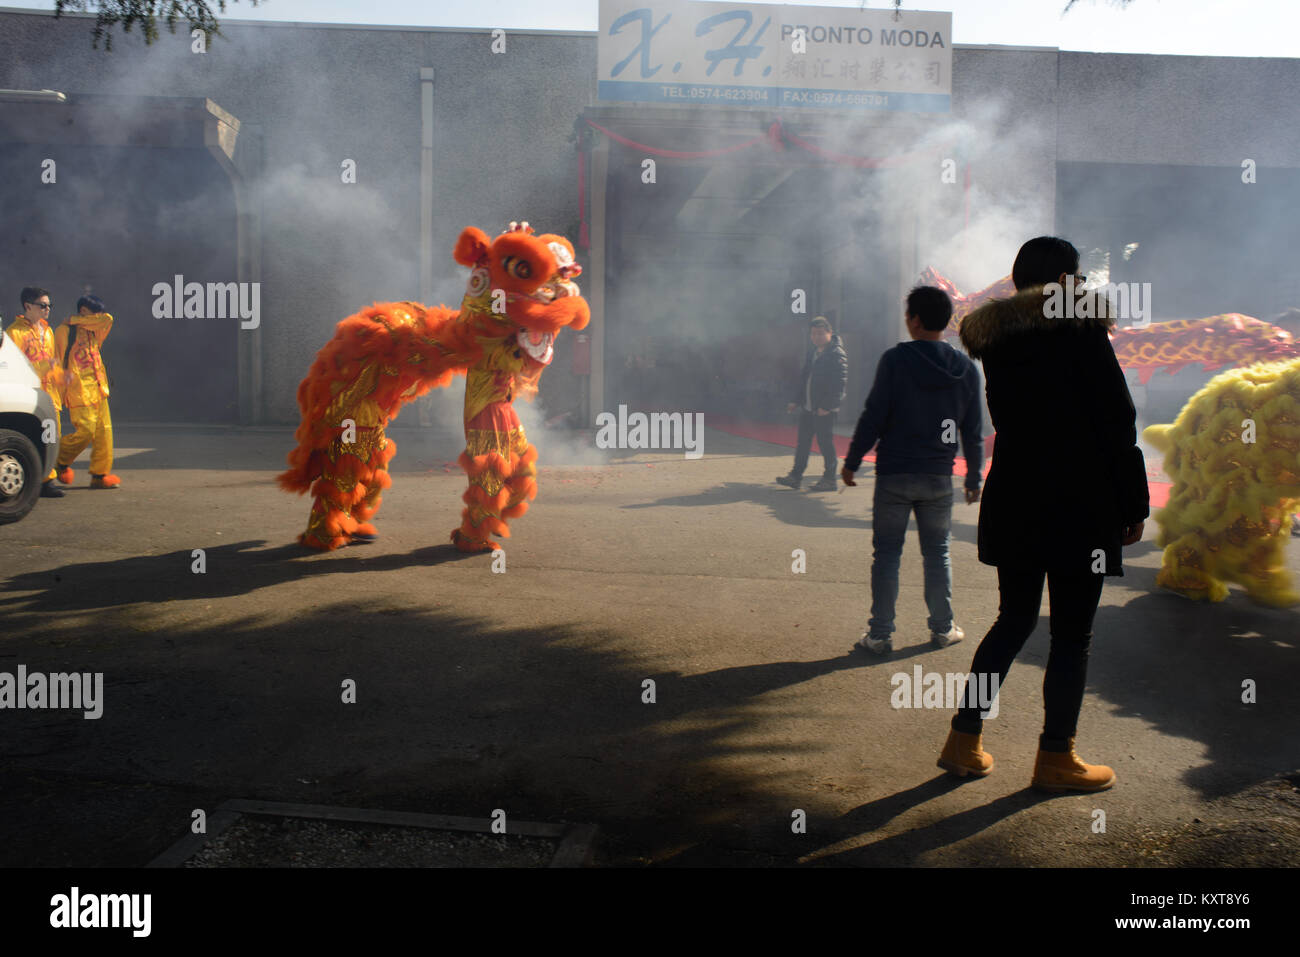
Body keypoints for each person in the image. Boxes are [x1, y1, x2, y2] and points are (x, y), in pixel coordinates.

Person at [936, 236, 1149, 793]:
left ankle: (963, 739)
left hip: (1018, 495)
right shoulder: (1081, 333)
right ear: (1065, 281)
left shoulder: (998, 341)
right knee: (1072, 636)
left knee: (1013, 620)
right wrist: (1133, 503)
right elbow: (1117, 419)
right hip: (1081, 502)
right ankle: (1057, 758)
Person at [841, 286, 983, 654]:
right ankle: (942, 628)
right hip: (938, 475)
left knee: (887, 554)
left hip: (894, 473)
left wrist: (853, 460)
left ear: (916, 320)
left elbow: (875, 414)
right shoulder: (966, 369)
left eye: (908, 313)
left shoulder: (895, 360)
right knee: (937, 552)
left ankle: (880, 635)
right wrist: (973, 477)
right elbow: (972, 430)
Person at [54, 295, 119, 489]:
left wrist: (75, 319)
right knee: (85, 432)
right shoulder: (64, 331)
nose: (98, 316)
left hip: (99, 389)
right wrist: (59, 386)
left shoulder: (95, 331)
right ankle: (57, 460)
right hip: (79, 391)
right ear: (84, 311)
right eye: (94, 313)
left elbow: (108, 318)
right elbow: (56, 360)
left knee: (104, 435)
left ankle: (100, 475)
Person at [5, 288, 65, 497]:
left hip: (50, 394)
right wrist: (44, 366)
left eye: (49, 305)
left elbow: (52, 362)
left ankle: (47, 477)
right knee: (38, 435)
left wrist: (61, 378)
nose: (47, 309)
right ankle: (45, 481)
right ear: (28, 306)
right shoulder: (14, 333)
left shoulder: (48, 331)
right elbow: (17, 366)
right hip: (30, 393)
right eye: (42, 305)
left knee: (52, 435)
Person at [776, 316, 848, 492]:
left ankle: (830, 480)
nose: (816, 337)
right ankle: (795, 477)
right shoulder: (813, 352)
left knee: (825, 444)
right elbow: (804, 378)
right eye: (813, 334)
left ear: (830, 333)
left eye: (821, 333)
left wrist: (827, 406)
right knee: (803, 443)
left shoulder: (836, 354)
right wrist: (796, 400)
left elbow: (840, 383)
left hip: (824, 409)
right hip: (809, 407)